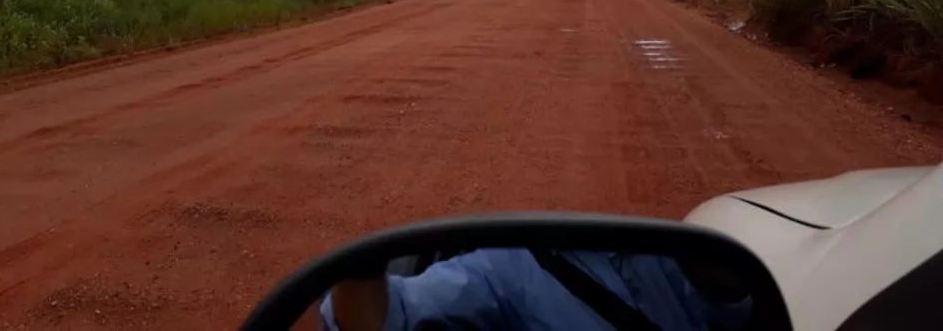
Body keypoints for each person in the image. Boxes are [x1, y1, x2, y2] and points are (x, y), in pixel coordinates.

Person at [319, 249, 753, 331]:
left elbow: (741, 309)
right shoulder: (506, 266)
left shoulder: (678, 252)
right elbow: (389, 319)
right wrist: (361, 266)